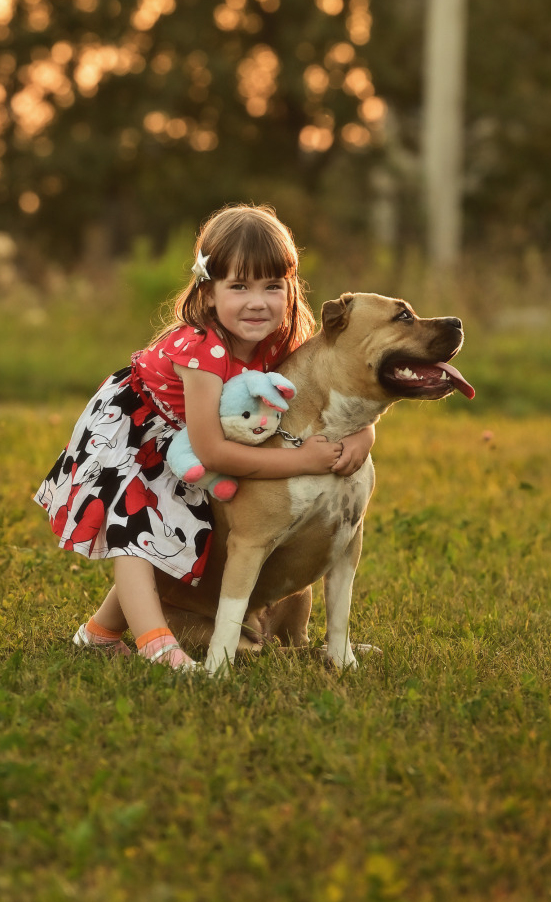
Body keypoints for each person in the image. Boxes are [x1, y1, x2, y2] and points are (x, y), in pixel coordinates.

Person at [34, 204, 375, 669]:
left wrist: (364, 435)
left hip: (190, 440)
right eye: (239, 286)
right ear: (209, 292)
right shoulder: (202, 351)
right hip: (138, 434)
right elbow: (214, 450)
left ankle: (98, 633)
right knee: (141, 537)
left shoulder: (281, 338)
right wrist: (302, 462)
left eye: (273, 286)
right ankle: (158, 646)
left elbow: (332, 389)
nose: (258, 301)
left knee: (183, 533)